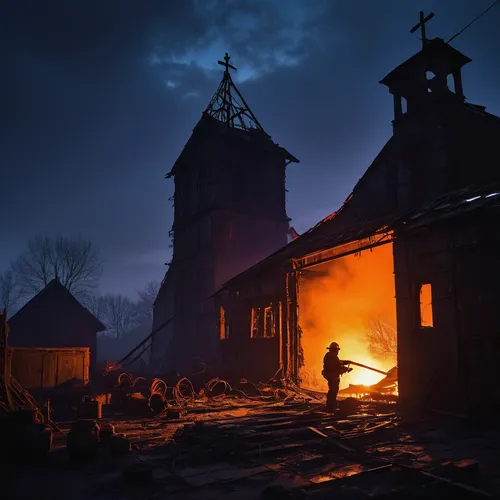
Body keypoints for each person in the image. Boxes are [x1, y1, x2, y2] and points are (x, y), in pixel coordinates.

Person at [322, 342, 352, 412]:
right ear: (334, 350)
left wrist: (345, 363)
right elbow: (337, 367)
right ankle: (330, 406)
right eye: (337, 350)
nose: (337, 351)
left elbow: (338, 363)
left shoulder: (330, 356)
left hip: (332, 375)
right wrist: (346, 369)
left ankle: (331, 405)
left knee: (333, 390)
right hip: (332, 375)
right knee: (333, 390)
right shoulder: (331, 357)